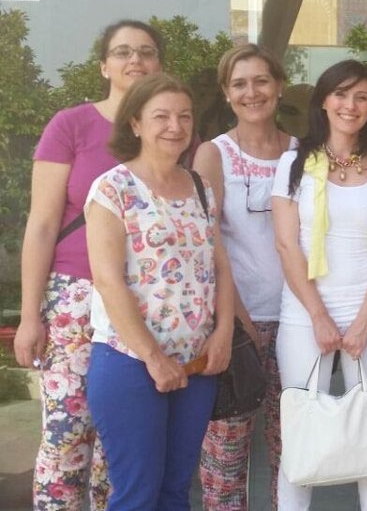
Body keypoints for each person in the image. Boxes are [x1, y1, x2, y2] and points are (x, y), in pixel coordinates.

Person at [16, 19, 164, 510]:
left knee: (120, 441)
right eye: (122, 52)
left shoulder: (171, 130)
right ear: (104, 66)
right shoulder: (72, 125)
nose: (135, 60)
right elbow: (41, 225)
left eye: (146, 51)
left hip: (146, 300)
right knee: (67, 434)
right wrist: (30, 315)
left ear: (159, 65)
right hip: (76, 296)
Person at [84, 74, 235, 510]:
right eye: (161, 116)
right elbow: (108, 281)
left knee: (174, 491)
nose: (175, 126)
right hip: (131, 362)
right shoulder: (113, 189)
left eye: (184, 116)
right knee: (138, 494)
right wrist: (153, 357)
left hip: (197, 363)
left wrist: (223, 333)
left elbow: (220, 267)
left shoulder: (200, 187)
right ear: (135, 123)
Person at [271, 60, 367, 511]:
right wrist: (319, 316)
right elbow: (287, 246)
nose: (351, 105)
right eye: (341, 94)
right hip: (304, 315)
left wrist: (364, 321)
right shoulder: (293, 165)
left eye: (361, 97)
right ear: (324, 102)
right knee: (300, 442)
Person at [194, 43, 295, 510]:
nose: (251, 92)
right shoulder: (213, 154)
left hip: (296, 323)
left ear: (279, 86)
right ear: (226, 93)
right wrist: (236, 320)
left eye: (261, 81)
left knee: (293, 453)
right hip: (234, 327)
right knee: (225, 456)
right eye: (239, 84)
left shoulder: (302, 153)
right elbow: (207, 244)